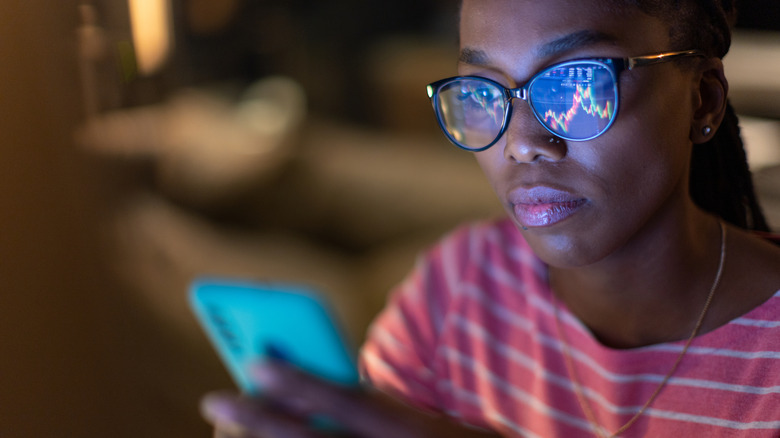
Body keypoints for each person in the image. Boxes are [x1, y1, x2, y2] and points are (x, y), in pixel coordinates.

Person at [199, 0, 780, 436]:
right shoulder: (459, 285)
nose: (521, 144)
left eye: (576, 84)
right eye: (482, 93)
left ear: (702, 98)